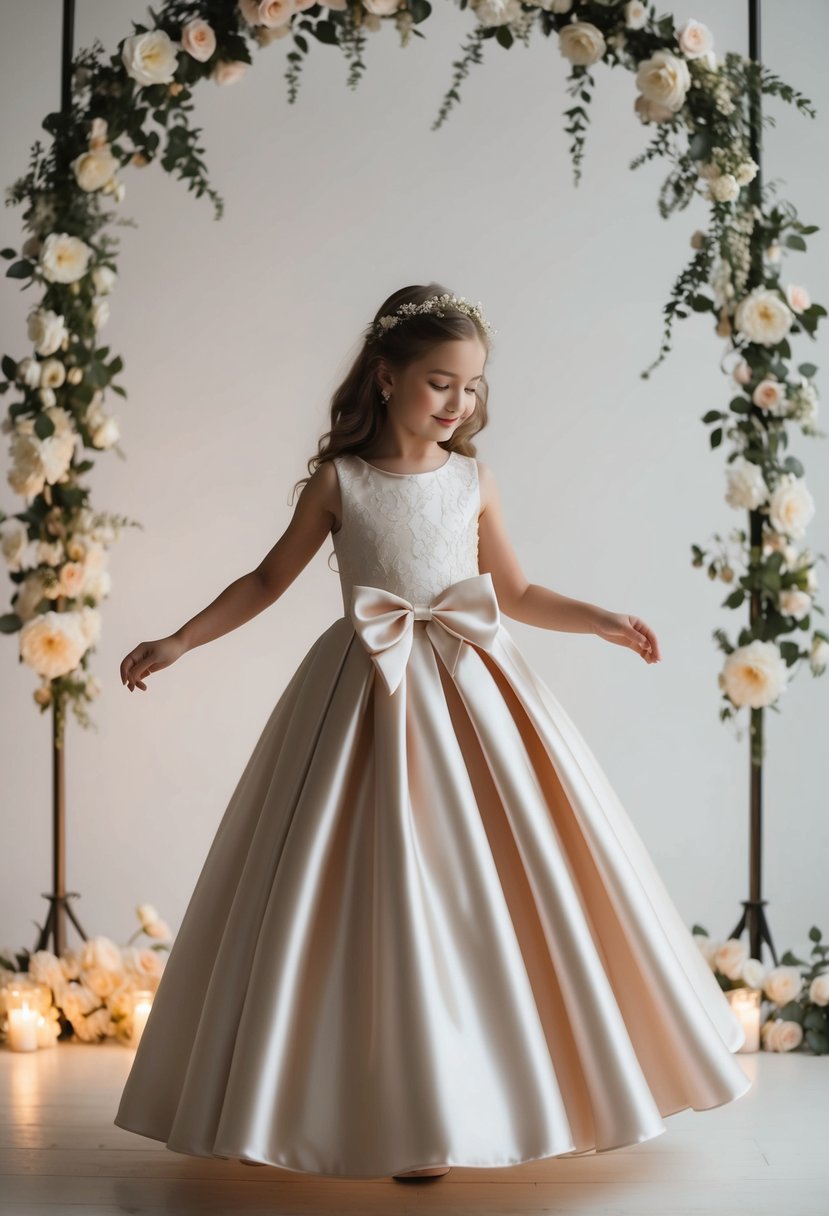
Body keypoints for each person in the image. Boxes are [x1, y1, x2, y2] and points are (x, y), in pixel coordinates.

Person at [113, 282, 750, 1182]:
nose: (459, 404)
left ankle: (491, 1094)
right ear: (386, 378)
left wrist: (600, 618)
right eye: (440, 383)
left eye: (473, 387)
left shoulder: (472, 480)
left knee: (496, 892)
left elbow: (515, 594)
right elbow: (264, 582)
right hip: (364, 697)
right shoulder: (341, 483)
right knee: (362, 893)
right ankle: (373, 1107)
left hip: (470, 690)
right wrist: (179, 639)